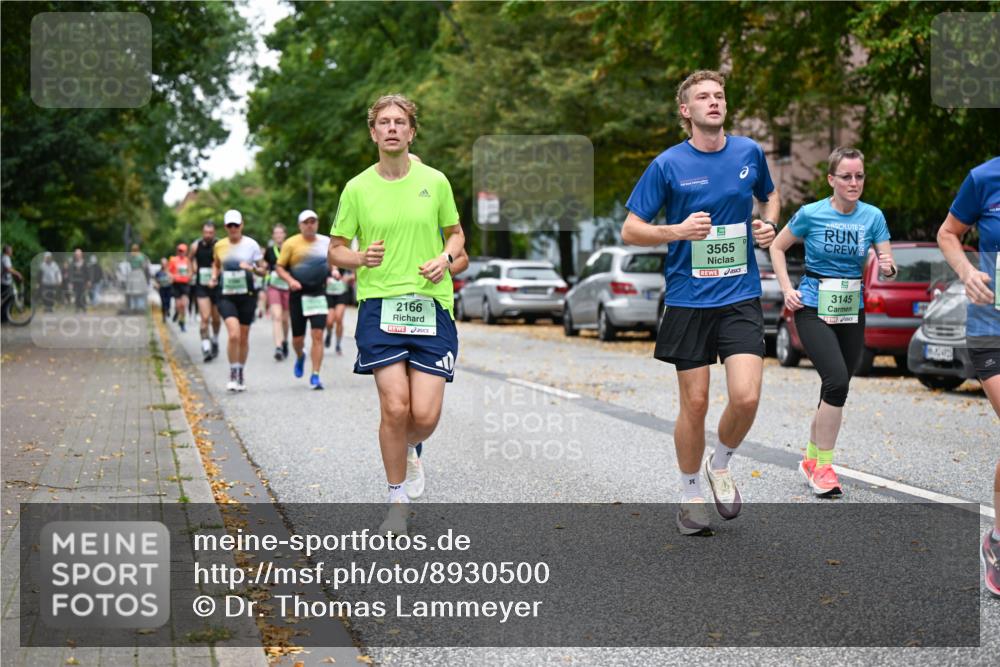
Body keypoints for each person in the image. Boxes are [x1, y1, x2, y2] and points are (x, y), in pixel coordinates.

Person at [620, 70, 779, 536]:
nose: (714, 102)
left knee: (747, 396)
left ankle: (721, 462)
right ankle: (690, 493)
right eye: (703, 97)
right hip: (689, 299)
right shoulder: (668, 165)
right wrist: (677, 231)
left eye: (719, 95)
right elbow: (631, 229)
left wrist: (767, 226)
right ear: (685, 111)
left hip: (740, 294)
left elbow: (768, 196)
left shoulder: (749, 152)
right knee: (695, 403)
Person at [329, 94, 465, 535]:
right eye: (383, 122)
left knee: (423, 416)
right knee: (395, 404)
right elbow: (336, 249)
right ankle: (397, 500)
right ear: (373, 132)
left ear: (411, 131)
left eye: (399, 122)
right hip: (380, 308)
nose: (391, 128)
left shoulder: (436, 181)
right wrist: (359, 257)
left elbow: (456, 236)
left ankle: (409, 447)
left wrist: (444, 260)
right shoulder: (357, 188)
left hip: (431, 306)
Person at [770, 147, 896, 496]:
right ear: (831, 180)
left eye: (859, 176)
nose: (854, 182)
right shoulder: (811, 214)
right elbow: (778, 247)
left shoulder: (872, 216)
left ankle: (811, 458)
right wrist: (786, 288)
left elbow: (886, 254)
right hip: (811, 306)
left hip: (850, 308)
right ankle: (824, 468)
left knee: (835, 387)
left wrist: (887, 265)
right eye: (846, 176)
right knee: (837, 381)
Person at [935, 155, 1000, 598]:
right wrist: (967, 271)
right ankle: (999, 542)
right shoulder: (984, 177)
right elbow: (948, 233)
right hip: (992, 328)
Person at [275, 210, 331, 389]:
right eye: (306, 222)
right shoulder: (290, 243)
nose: (310, 225)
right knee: (297, 339)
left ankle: (315, 375)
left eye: (313, 221)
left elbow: (332, 260)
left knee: (318, 335)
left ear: (317, 223)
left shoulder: (325, 242)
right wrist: (291, 281)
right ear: (300, 225)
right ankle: (300, 356)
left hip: (318, 293)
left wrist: (334, 270)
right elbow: (280, 267)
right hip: (298, 294)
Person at [211, 209, 266, 392]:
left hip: (247, 295)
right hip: (226, 295)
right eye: (229, 225)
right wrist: (213, 277)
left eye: (236, 224)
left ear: (241, 225)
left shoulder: (252, 245)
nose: (233, 228)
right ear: (225, 227)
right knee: (233, 334)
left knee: (243, 336)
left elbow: (263, 270)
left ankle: (241, 371)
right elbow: (216, 265)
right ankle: (233, 372)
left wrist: (251, 268)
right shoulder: (219, 245)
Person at [190, 222, 222, 362]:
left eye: (210, 233)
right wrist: (193, 268)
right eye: (206, 232)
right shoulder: (195, 246)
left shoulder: (219, 245)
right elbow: (189, 259)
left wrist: (215, 276)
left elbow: (223, 263)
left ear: (214, 233)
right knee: (205, 317)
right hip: (201, 285)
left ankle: (214, 339)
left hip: (216, 286)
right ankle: (206, 347)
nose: (208, 235)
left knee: (216, 319)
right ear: (202, 232)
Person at [263, 224, 291, 361]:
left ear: (284, 234)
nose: (278, 235)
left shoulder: (290, 249)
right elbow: (265, 267)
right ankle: (278, 347)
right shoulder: (269, 251)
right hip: (274, 287)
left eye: (281, 233)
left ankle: (285, 341)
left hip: (287, 288)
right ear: (273, 236)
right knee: (277, 316)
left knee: (285, 319)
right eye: (276, 233)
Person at [325, 267, 353, 354]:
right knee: (329, 321)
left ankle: (338, 344)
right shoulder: (326, 261)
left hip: (342, 294)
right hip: (329, 294)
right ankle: (329, 333)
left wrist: (349, 278)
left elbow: (355, 272)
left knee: (339, 318)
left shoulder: (344, 260)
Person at [167, 243, 192, 332]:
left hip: (184, 284)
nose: (181, 252)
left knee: (184, 305)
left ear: (186, 251)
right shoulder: (173, 260)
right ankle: (177, 312)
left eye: (183, 251)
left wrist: (189, 276)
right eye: (179, 251)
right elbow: (168, 271)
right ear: (177, 251)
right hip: (176, 284)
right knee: (178, 305)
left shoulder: (187, 260)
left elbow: (190, 271)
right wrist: (172, 276)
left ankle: (182, 323)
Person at [125, 244, 150, 313]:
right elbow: (144, 265)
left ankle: (133, 307)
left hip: (132, 273)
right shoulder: (141, 256)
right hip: (139, 273)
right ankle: (140, 307)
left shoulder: (130, 256)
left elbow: (129, 263)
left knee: (132, 291)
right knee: (140, 291)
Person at [1, 245, 24, 321]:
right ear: (7, 251)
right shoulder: (6, 258)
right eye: (10, 250)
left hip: (5, 281)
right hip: (4, 282)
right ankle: (5, 318)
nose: (12, 251)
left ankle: (5, 317)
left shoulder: (4, 258)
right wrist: (17, 273)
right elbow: (8, 269)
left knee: (6, 299)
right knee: (8, 299)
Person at [66, 248, 90, 313]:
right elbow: (70, 273)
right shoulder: (73, 263)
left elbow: (87, 272)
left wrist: (88, 281)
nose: (78, 256)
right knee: (77, 295)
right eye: (76, 254)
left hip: (83, 282)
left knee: (83, 294)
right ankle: (77, 307)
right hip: (75, 282)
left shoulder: (84, 262)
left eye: (79, 254)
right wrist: (70, 282)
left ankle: (84, 307)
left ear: (81, 255)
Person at [154, 258, 173, 322]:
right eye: (162, 263)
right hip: (162, 289)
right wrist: (157, 285)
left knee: (168, 301)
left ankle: (167, 310)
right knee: (163, 302)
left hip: (168, 288)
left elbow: (173, 278)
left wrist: (171, 279)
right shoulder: (158, 273)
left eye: (165, 263)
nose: (164, 265)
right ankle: (164, 316)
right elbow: (155, 281)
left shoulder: (169, 271)